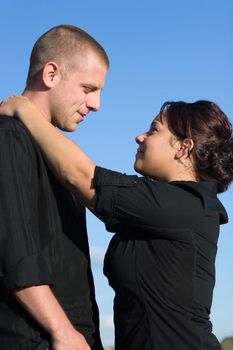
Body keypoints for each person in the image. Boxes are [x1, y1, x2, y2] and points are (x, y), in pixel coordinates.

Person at [1, 98, 233, 350]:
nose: (139, 137)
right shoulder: (160, 208)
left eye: (153, 130)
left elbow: (81, 176)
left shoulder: (189, 204)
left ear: (183, 148)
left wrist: (22, 109)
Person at [0, 24, 109, 350]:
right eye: (89, 88)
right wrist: (62, 331)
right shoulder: (8, 136)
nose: (96, 104)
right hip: (38, 339)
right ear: (51, 74)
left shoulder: (53, 154)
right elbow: (15, 252)